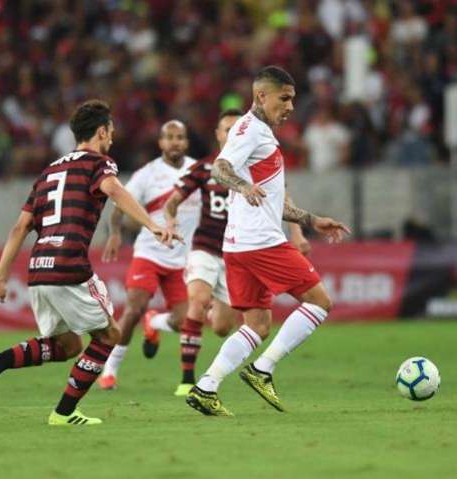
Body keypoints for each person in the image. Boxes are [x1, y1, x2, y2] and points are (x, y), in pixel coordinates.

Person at [0, 100, 180, 426]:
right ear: (100, 131)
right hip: (69, 266)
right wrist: (153, 225)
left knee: (68, 345)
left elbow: (19, 227)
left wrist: (0, 277)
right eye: (109, 132)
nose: (111, 138)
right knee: (109, 334)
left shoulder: (48, 171)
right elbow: (113, 189)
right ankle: (63, 413)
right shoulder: (99, 162)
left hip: (39, 269)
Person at [186, 66, 350, 416]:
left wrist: (311, 220)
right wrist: (244, 187)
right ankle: (263, 370)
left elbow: (271, 201)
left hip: (238, 245)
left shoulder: (259, 133)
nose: (290, 106)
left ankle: (206, 387)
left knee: (257, 325)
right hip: (260, 243)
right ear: (261, 96)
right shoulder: (250, 130)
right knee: (320, 302)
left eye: (293, 99)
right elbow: (220, 168)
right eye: (284, 98)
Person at [164, 109, 311, 397]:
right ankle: (187, 379)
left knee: (221, 327)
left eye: (236, 128)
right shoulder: (205, 168)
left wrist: (298, 232)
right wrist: (169, 219)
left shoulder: (256, 162)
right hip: (206, 247)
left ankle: (161, 322)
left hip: (238, 252)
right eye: (226, 129)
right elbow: (173, 201)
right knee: (198, 301)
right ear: (218, 135)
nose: (232, 133)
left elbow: (280, 196)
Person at [97, 120, 199, 390]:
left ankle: (153, 322)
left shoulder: (199, 172)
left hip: (183, 259)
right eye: (169, 137)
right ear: (161, 143)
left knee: (184, 322)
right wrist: (115, 233)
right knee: (132, 309)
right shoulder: (147, 174)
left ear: (186, 142)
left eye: (180, 137)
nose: (175, 141)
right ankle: (110, 370)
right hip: (150, 253)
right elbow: (119, 205)